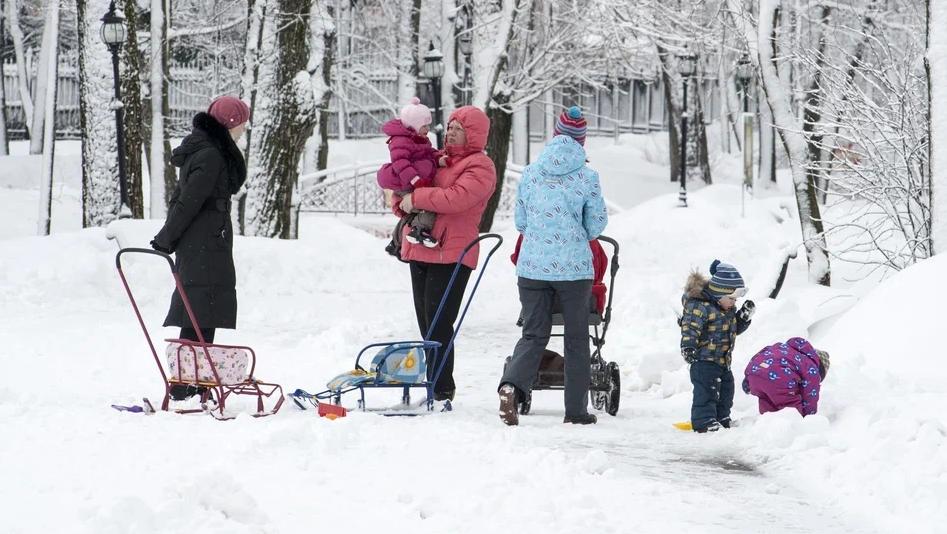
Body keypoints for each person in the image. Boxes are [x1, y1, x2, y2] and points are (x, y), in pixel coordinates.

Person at [497, 106, 609, 426]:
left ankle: (511, 387)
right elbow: (595, 226)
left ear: (556, 134)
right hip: (574, 272)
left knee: (534, 334)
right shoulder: (588, 176)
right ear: (581, 141)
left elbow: (520, 221)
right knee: (576, 338)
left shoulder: (531, 172)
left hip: (532, 269)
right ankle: (575, 411)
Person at [393, 105, 496, 403]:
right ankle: (432, 383)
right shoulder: (435, 160)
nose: (450, 132)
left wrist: (416, 198)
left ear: (473, 135)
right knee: (426, 324)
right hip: (420, 247)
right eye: (450, 126)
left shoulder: (480, 167)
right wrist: (402, 203)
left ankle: (441, 388)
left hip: (451, 254)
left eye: (458, 128)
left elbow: (456, 199)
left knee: (439, 323)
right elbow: (406, 190)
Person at [150, 95, 249, 400]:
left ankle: (195, 383)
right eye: (242, 124)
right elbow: (189, 201)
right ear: (229, 124)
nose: (244, 130)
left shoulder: (210, 151)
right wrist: (166, 237)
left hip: (206, 241)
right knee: (199, 312)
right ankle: (185, 386)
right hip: (204, 244)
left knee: (202, 312)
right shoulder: (211, 155)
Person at [680, 260, 755, 432]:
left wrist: (743, 318)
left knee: (727, 391)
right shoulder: (699, 307)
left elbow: (732, 329)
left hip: (722, 361)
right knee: (707, 392)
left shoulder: (725, 309)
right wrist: (688, 347)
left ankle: (722, 418)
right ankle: (704, 421)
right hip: (704, 361)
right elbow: (690, 328)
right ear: (718, 294)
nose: (734, 303)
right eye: (731, 298)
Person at [377, 97, 440, 248]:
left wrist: (439, 158)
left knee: (416, 209)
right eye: (424, 126)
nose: (427, 129)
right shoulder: (401, 141)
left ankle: (396, 242)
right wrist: (415, 180)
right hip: (405, 181)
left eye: (428, 125)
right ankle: (418, 231)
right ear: (414, 125)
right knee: (427, 205)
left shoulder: (418, 139)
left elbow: (428, 153)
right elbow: (401, 163)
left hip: (409, 181)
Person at [743, 337, 829, 417]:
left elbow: (759, 356)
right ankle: (791, 428)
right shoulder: (812, 368)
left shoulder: (781, 347)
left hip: (755, 376)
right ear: (820, 369)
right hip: (779, 381)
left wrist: (747, 379)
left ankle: (766, 426)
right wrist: (808, 417)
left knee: (766, 403)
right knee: (790, 412)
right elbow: (810, 396)